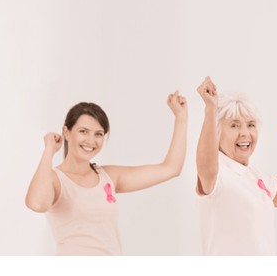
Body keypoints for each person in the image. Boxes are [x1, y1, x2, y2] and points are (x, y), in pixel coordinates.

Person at [25, 91, 188, 255]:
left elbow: (171, 169)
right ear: (66, 132)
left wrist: (181, 117)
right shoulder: (55, 179)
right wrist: (49, 151)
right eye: (83, 131)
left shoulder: (108, 177)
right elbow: (37, 204)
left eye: (99, 134)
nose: (91, 140)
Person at [195, 76, 277, 255]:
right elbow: (205, 165)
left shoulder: (255, 176)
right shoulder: (217, 174)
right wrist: (211, 108)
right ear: (217, 133)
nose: (245, 133)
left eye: (251, 125)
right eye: (234, 126)